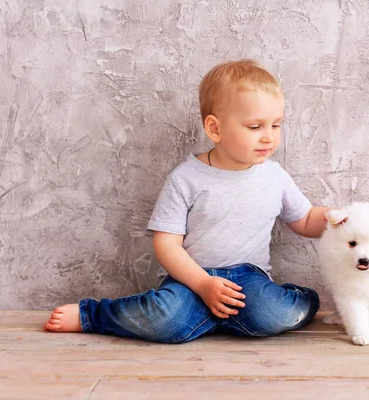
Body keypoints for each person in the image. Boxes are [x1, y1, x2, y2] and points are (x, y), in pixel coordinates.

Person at [43, 59, 331, 343]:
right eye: (255, 127)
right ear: (215, 129)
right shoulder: (186, 178)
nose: (269, 136)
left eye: (276, 125)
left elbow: (305, 219)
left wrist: (339, 220)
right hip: (191, 279)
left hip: (248, 280)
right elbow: (166, 244)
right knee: (165, 319)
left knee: (272, 314)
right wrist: (204, 284)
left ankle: (303, 301)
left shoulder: (274, 176)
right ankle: (93, 315)